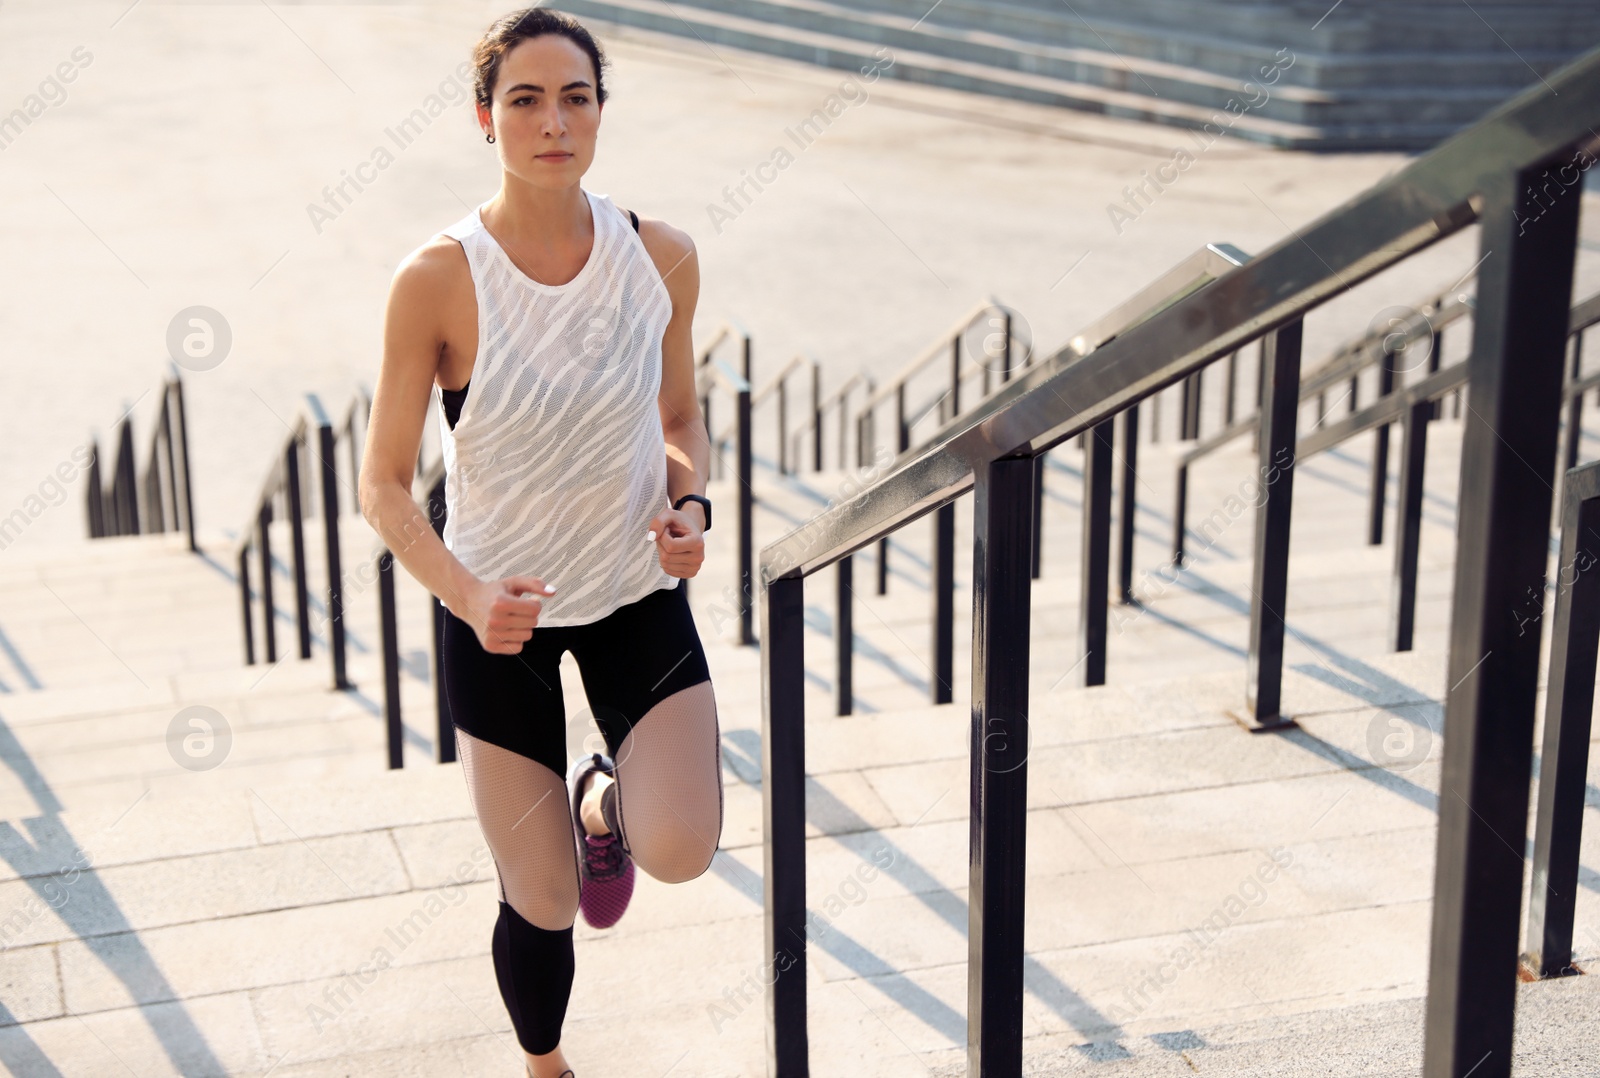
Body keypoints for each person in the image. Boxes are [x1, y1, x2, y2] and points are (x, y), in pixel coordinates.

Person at [357, 9, 723, 1076]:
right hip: (496, 619)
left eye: (575, 97)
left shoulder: (661, 256)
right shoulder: (436, 278)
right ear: (485, 118)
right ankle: (545, 1063)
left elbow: (682, 422)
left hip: (631, 592)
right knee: (546, 897)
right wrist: (466, 595)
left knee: (680, 850)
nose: (552, 120)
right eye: (524, 98)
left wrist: (691, 509)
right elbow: (380, 487)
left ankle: (603, 796)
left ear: (601, 113)